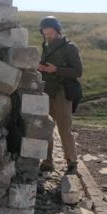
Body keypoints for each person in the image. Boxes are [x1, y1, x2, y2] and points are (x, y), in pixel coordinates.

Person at [37, 16, 83, 175]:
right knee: (46, 128)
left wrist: (55, 69)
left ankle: (72, 162)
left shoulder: (70, 47)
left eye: (50, 33)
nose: (48, 36)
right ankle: (47, 162)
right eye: (45, 34)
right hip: (46, 91)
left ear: (57, 31)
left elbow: (78, 72)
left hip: (62, 92)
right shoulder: (46, 47)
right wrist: (40, 68)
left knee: (64, 128)